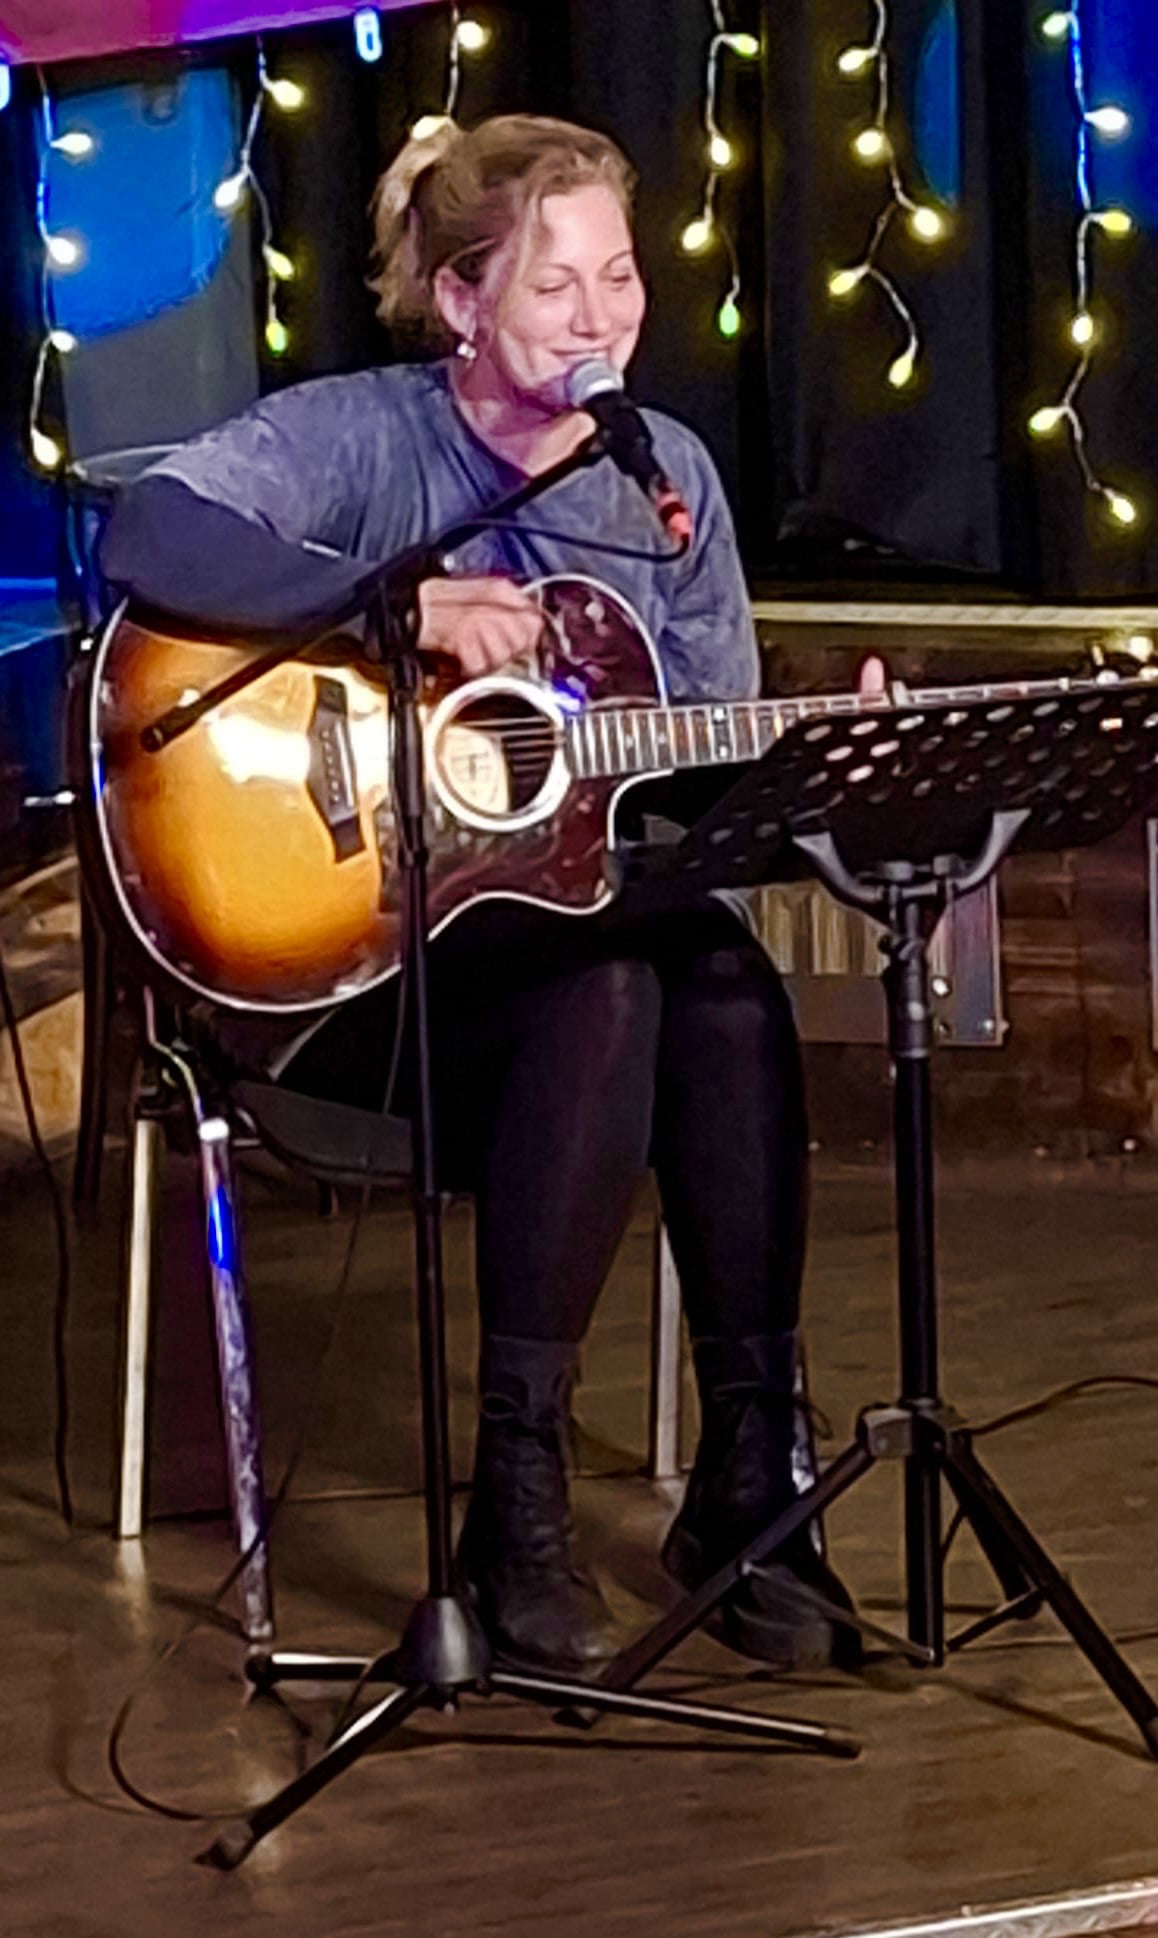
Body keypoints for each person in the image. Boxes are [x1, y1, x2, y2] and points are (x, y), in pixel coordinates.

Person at [102, 113, 862, 1678]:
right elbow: (151, 531)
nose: (601, 320)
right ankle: (513, 1512)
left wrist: (813, 764)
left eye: (620, 277)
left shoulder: (666, 482)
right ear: (460, 299)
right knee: (613, 986)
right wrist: (396, 600)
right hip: (350, 976)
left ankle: (751, 1480)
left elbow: (697, 781)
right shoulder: (367, 440)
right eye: (555, 286)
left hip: (569, 972)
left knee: (720, 983)